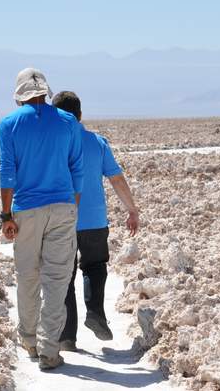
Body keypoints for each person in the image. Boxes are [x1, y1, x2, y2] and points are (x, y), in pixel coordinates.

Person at [0, 68, 84, 371]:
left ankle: (30, 339)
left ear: (19, 93)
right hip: (62, 207)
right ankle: (50, 350)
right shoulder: (68, 122)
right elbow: (77, 167)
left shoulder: (8, 124)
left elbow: (7, 170)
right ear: (46, 91)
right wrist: (71, 205)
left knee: (28, 275)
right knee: (57, 280)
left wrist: (6, 214)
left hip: (25, 210)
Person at [52, 91, 140, 352]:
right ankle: (95, 312)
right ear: (80, 114)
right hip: (93, 218)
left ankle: (66, 337)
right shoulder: (97, 142)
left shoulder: (52, 144)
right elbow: (116, 179)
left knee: (63, 276)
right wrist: (132, 210)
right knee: (94, 267)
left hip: (60, 219)